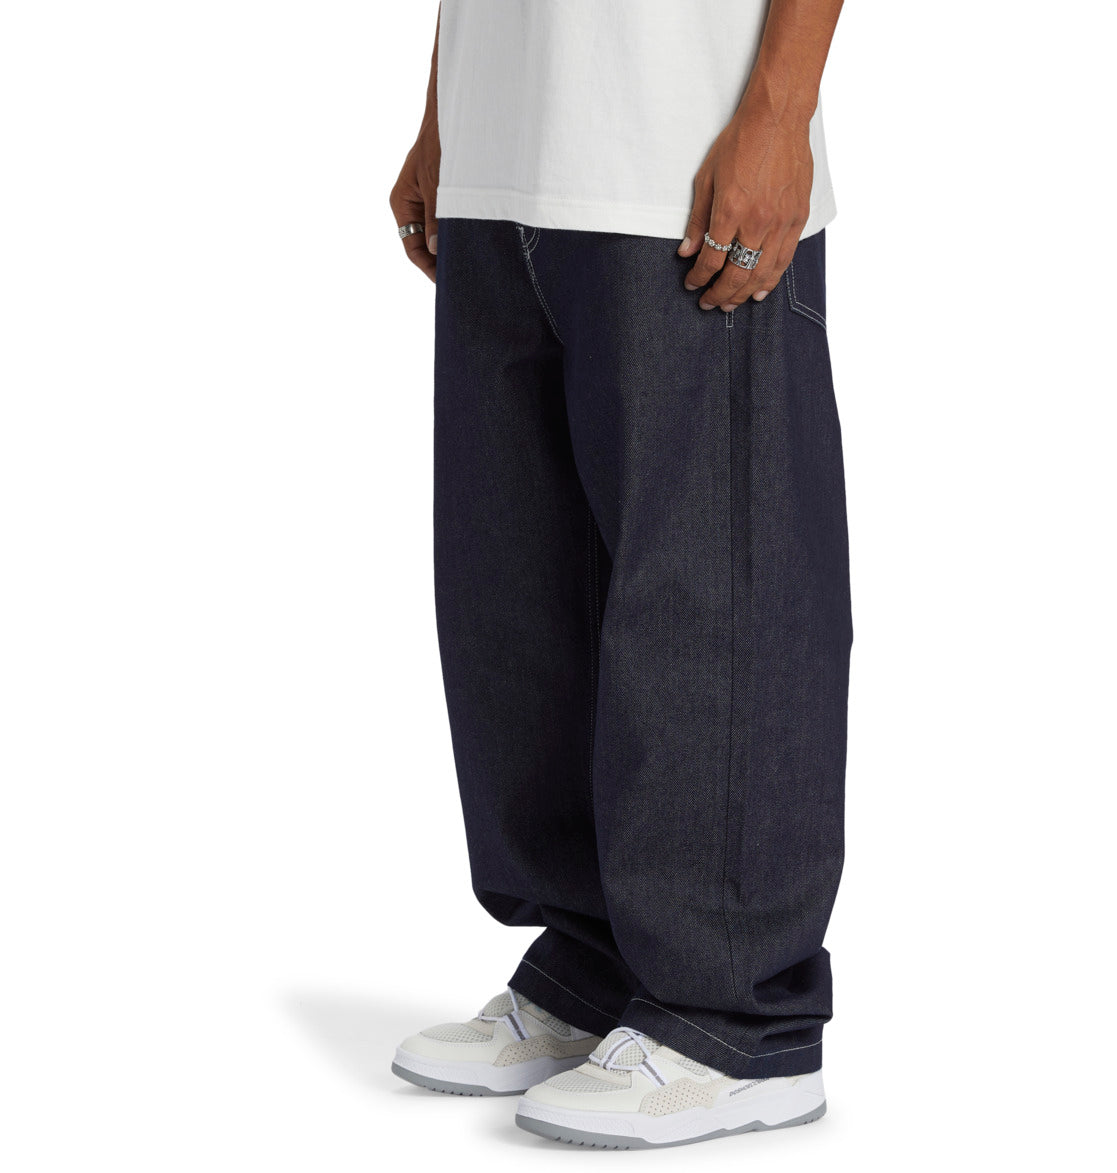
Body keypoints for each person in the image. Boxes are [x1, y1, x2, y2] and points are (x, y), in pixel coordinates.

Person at [388, 0, 851, 1150]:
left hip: (680, 157)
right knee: (517, 593)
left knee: (714, 593)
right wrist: (444, 114)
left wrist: (778, 116)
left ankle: (739, 1019)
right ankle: (596, 967)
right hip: (505, 152)